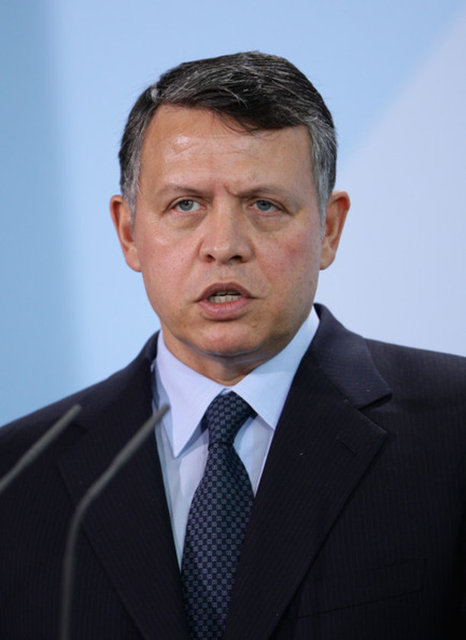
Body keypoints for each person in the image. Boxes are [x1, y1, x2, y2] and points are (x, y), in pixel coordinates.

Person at [0, 51, 464, 640]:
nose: (224, 245)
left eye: (265, 204)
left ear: (329, 229)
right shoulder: (17, 476)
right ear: (129, 231)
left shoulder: (454, 430)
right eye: (185, 204)